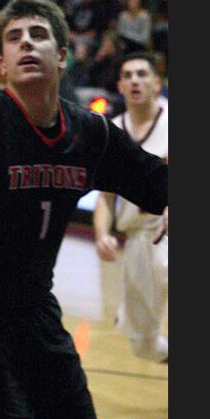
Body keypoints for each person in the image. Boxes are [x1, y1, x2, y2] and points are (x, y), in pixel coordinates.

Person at [0, 0, 168, 419]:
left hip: (37, 310)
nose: (26, 45)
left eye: (38, 35)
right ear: (0, 61)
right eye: (13, 38)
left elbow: (156, 181)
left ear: (62, 55)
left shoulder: (90, 134)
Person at [91, 53, 169, 364]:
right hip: (136, 237)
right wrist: (101, 235)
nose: (135, 80)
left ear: (157, 83)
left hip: (166, 229)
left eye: (142, 74)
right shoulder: (112, 130)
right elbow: (105, 198)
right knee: (142, 346)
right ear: (120, 86)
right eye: (128, 75)